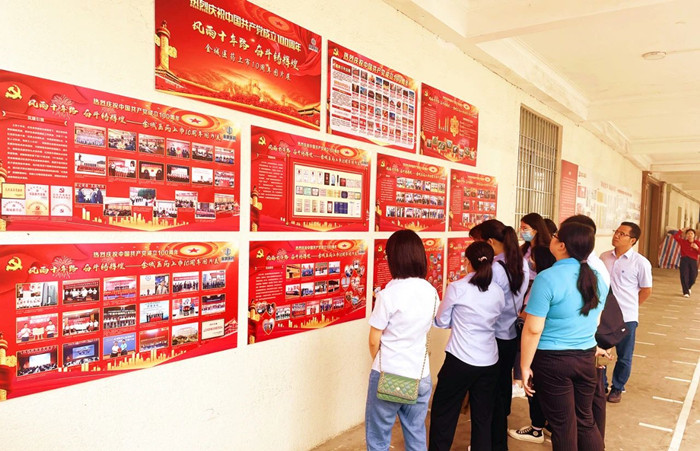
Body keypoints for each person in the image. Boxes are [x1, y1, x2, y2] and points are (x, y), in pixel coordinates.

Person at [521, 221, 609, 450]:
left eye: (555, 235)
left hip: (552, 361)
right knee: (585, 421)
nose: (551, 237)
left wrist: (524, 366)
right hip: (585, 357)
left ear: (562, 246)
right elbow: (596, 321)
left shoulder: (547, 278)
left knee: (563, 425)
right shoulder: (597, 278)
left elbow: (533, 329)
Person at [366, 229, 438, 451]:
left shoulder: (388, 295)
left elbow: (373, 340)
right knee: (416, 433)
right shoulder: (431, 291)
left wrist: (380, 363)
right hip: (420, 374)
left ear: (394, 259)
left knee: (378, 437)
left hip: (388, 374)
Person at [429, 242, 505, 450]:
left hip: (459, 360)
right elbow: (496, 320)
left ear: (467, 262)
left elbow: (442, 321)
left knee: (444, 413)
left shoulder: (457, 288)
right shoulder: (498, 291)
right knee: (483, 417)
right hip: (489, 361)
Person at [478, 219, 528, 450]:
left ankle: (491, 442)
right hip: (510, 334)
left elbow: (485, 304)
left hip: (494, 337)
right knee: (502, 389)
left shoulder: (496, 269)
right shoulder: (521, 262)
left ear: (489, 242)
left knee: (490, 394)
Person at [601, 222, 653, 403]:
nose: (616, 235)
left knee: (624, 356)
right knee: (601, 352)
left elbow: (646, 290)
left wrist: (632, 307)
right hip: (605, 316)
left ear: (632, 240)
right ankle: (601, 385)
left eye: (622, 234)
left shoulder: (641, 263)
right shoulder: (604, 257)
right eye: (616, 231)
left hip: (627, 317)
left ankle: (617, 388)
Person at [672, 227, 700, 297]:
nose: (690, 235)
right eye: (688, 234)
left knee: (694, 276)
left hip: (693, 260)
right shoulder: (683, 242)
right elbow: (675, 237)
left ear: (694, 235)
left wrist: (697, 248)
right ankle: (686, 292)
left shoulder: (697, 243)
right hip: (684, 260)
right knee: (684, 275)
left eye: (691, 233)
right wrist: (681, 231)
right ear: (686, 235)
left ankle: (688, 287)